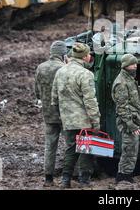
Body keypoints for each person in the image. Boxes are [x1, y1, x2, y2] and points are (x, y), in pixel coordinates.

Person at [51, 42, 101, 188]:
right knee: (86, 149)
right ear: (85, 57)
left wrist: (61, 116)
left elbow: (54, 99)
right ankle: (84, 180)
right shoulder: (86, 74)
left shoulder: (60, 72)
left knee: (71, 149)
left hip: (67, 119)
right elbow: (90, 101)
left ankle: (65, 179)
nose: (90, 56)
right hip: (83, 119)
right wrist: (96, 121)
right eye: (89, 54)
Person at [35, 40, 68, 187]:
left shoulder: (40, 68)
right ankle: (70, 176)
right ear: (63, 54)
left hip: (48, 113)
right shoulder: (64, 68)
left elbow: (37, 92)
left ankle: (48, 177)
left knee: (50, 145)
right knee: (71, 144)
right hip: (65, 113)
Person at [112, 54, 140, 183]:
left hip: (134, 119)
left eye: (136, 64)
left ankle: (127, 174)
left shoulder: (129, 79)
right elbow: (122, 108)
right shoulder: (121, 83)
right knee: (128, 149)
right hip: (128, 122)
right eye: (132, 64)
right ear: (125, 66)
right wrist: (131, 125)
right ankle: (123, 176)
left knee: (131, 148)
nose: (135, 66)